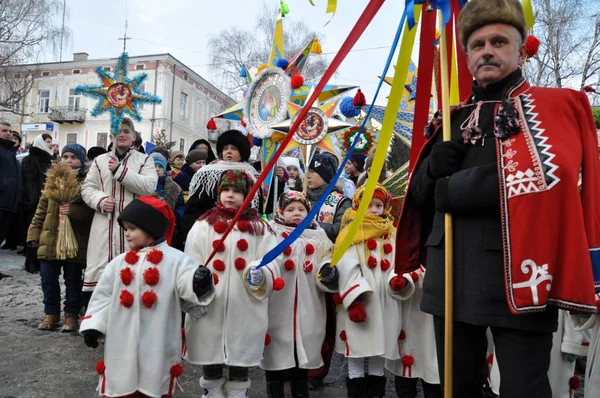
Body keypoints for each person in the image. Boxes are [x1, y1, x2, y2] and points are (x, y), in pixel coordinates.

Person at [396, 0, 600, 396]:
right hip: (449, 276)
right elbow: (418, 199)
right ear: (468, 55)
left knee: (525, 389)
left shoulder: (554, 106)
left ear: (520, 50)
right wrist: (430, 169)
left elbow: (551, 177)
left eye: (498, 41)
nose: (487, 50)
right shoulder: (451, 119)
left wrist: (454, 189)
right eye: (477, 43)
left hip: (522, 275)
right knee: (456, 389)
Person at [80, 196, 214, 398]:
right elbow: (104, 296)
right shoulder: (118, 263)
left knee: (154, 384)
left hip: (158, 339)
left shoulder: (175, 259)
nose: (127, 234)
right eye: (125, 229)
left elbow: (185, 283)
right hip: (120, 340)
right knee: (119, 383)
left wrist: (198, 281)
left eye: (132, 228)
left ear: (150, 228)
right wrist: (93, 326)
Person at [183, 169, 280, 398]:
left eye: (237, 191)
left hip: (245, 304)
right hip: (211, 303)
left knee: (241, 350)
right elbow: (189, 260)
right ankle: (211, 389)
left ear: (248, 194)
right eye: (225, 190)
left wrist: (262, 274)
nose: (230, 195)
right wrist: (194, 285)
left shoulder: (261, 229)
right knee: (210, 348)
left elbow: (272, 261)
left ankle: (239, 390)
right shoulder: (202, 225)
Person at [333, 184, 408, 398]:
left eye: (378, 205)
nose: (374, 210)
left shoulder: (392, 233)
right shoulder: (350, 232)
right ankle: (356, 392)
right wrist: (355, 297)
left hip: (385, 302)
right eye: (368, 205)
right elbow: (344, 265)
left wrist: (398, 279)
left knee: (379, 350)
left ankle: (376, 393)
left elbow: (398, 262)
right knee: (356, 352)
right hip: (360, 302)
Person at [262, 191, 336, 398]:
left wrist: (327, 271)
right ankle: (274, 391)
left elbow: (326, 261)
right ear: (280, 211)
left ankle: (300, 391)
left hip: (309, 308)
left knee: (302, 356)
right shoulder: (271, 234)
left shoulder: (319, 237)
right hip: (278, 308)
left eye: (301, 209)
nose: (296, 214)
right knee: (275, 354)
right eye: (290, 209)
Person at [81, 117, 157, 300]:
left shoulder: (144, 160)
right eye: (118, 132)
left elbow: (149, 186)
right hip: (104, 224)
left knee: (134, 277)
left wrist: (120, 172)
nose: (121, 135)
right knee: (102, 279)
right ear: (111, 135)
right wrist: (100, 200)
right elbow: (87, 188)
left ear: (133, 136)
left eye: (126, 131)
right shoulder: (99, 161)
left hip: (134, 226)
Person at [27, 144, 94, 332]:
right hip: (50, 240)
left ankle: (71, 315)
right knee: (48, 279)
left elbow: (90, 213)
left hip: (74, 242)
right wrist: (33, 234)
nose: (68, 160)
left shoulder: (86, 183)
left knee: (72, 280)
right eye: (65, 156)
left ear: (81, 161)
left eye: (73, 157)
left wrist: (72, 211)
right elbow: (40, 212)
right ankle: (51, 313)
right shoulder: (51, 182)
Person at [304, 153, 351, 390]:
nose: (309, 175)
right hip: (300, 269)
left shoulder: (341, 202)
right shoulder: (298, 198)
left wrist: (314, 227)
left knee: (324, 321)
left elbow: (343, 231)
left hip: (327, 268)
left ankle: (317, 370)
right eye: (309, 171)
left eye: (315, 172)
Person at [182, 129, 260, 242]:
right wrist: (190, 232)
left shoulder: (252, 174)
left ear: (242, 151)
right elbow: (193, 207)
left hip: (244, 231)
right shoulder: (207, 173)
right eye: (225, 148)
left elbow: (263, 206)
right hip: (211, 230)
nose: (228, 152)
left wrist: (278, 179)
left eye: (234, 148)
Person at [385, 265, 442, 398]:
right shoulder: (409, 246)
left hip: (436, 323)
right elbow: (397, 264)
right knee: (405, 381)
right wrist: (399, 279)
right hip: (410, 318)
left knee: (434, 375)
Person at [19, 134, 55, 253]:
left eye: (51, 141)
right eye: (48, 141)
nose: (51, 144)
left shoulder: (49, 159)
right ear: (40, 142)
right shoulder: (30, 160)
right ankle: (30, 257)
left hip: (46, 199)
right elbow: (30, 182)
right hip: (34, 202)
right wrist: (33, 201)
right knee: (32, 229)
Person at [151, 152, 185, 249]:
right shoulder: (143, 186)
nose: (157, 169)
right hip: (148, 228)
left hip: (169, 228)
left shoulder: (174, 187)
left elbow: (181, 206)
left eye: (160, 166)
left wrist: (175, 216)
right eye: (154, 166)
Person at [0, 120, 23, 249]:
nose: (8, 134)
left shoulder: (9, 151)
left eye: (9, 131)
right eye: (4, 131)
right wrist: (3, 186)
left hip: (10, 204)